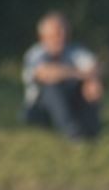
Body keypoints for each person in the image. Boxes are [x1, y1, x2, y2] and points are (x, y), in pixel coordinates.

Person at [21, 11, 102, 141]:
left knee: (92, 84)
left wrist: (91, 81)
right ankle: (72, 131)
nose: (62, 36)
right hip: (41, 108)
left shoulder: (76, 51)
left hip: (71, 101)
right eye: (57, 33)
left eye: (64, 31)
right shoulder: (36, 53)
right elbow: (45, 73)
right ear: (43, 36)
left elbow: (95, 69)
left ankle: (90, 128)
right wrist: (80, 74)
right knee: (52, 86)